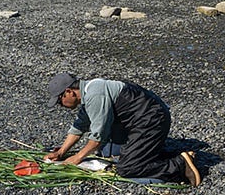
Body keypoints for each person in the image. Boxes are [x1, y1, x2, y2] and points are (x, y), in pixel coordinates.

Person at [44, 73, 201, 186]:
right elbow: (79, 126)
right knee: (111, 153)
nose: (61, 105)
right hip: (141, 120)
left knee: (127, 169)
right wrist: (61, 152)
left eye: (60, 101)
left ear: (69, 92)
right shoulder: (88, 93)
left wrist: (77, 158)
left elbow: (98, 137)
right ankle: (166, 154)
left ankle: (179, 165)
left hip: (152, 120)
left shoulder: (95, 95)